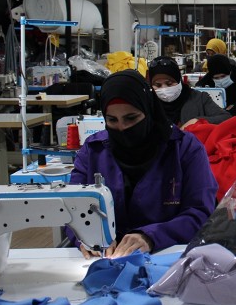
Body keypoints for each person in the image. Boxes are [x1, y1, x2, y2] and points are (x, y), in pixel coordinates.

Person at [67, 70, 217, 259]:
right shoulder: (93, 151)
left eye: (131, 118)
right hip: (105, 255)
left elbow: (200, 212)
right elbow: (71, 208)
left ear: (148, 110)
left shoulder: (184, 148)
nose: (122, 128)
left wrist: (151, 236)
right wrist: (85, 237)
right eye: (112, 120)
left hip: (166, 252)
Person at [148, 55, 231, 128]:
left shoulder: (200, 99)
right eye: (158, 85)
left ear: (179, 80)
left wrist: (198, 121)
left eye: (169, 84)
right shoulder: (148, 103)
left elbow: (226, 118)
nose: (164, 89)